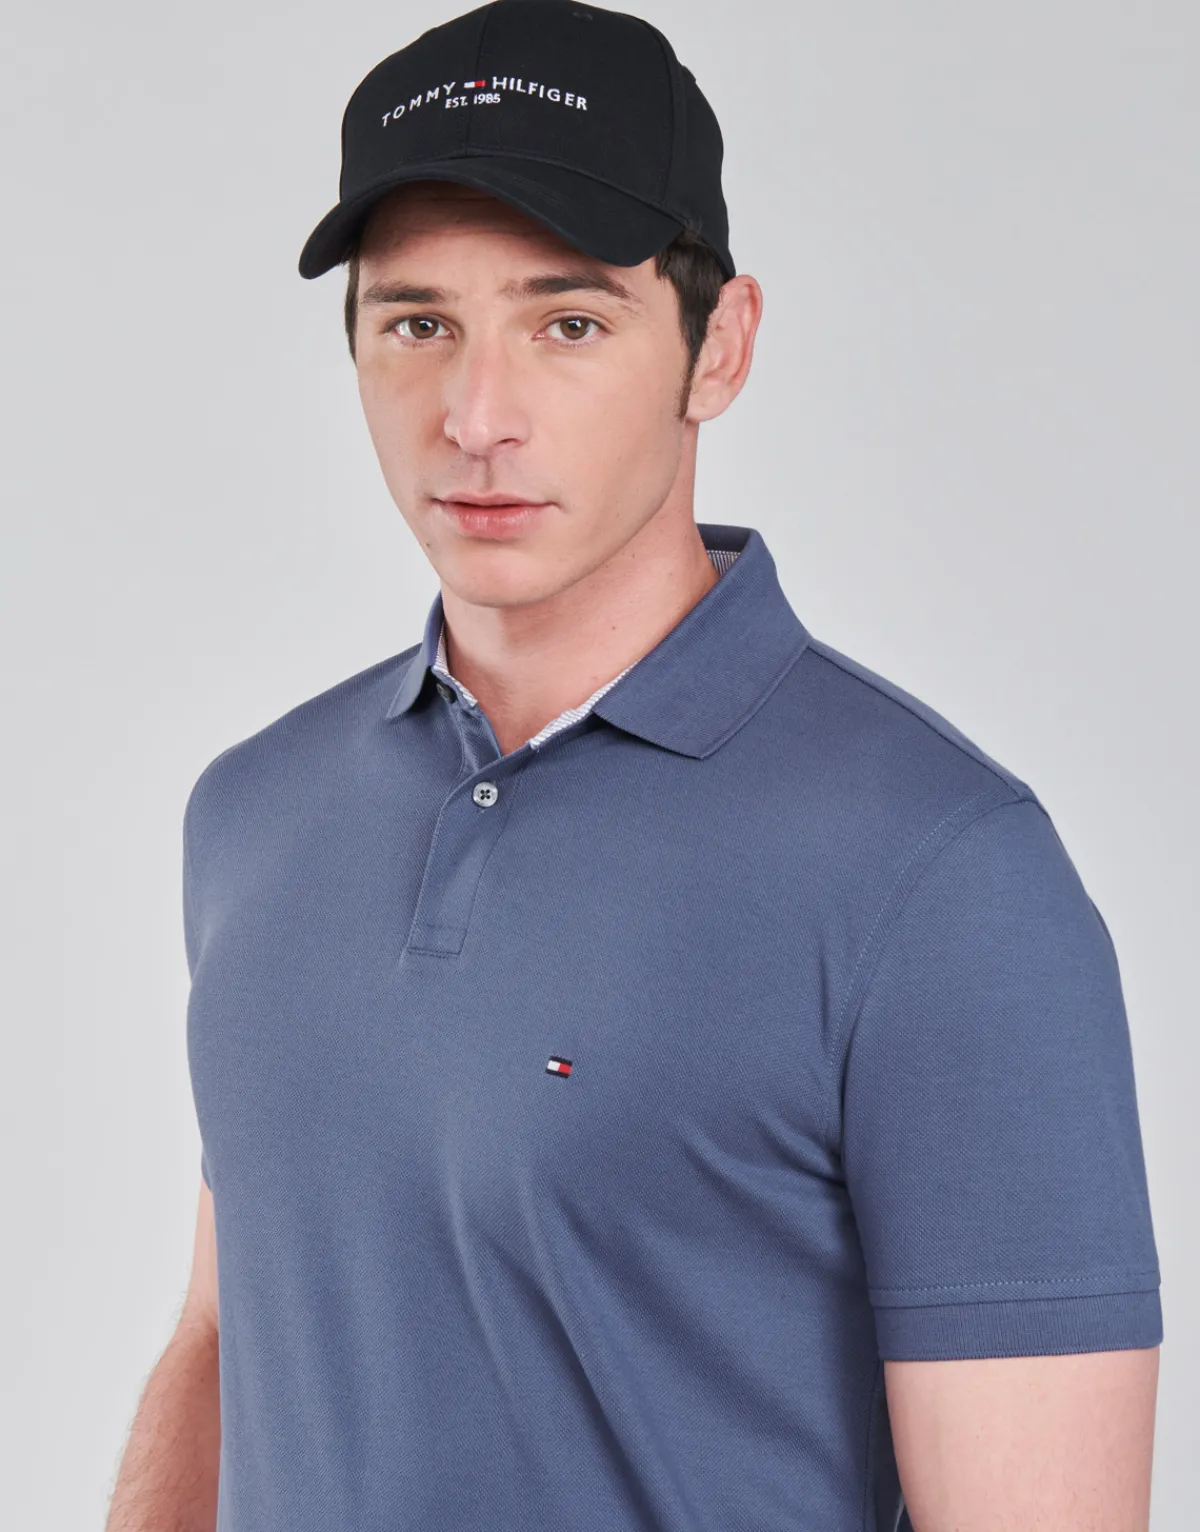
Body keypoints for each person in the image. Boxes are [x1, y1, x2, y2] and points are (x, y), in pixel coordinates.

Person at [104, 2, 1163, 1529]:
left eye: (570, 324)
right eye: (418, 325)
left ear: (717, 346)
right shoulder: (256, 813)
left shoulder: (941, 875)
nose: (477, 418)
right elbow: (227, 1336)